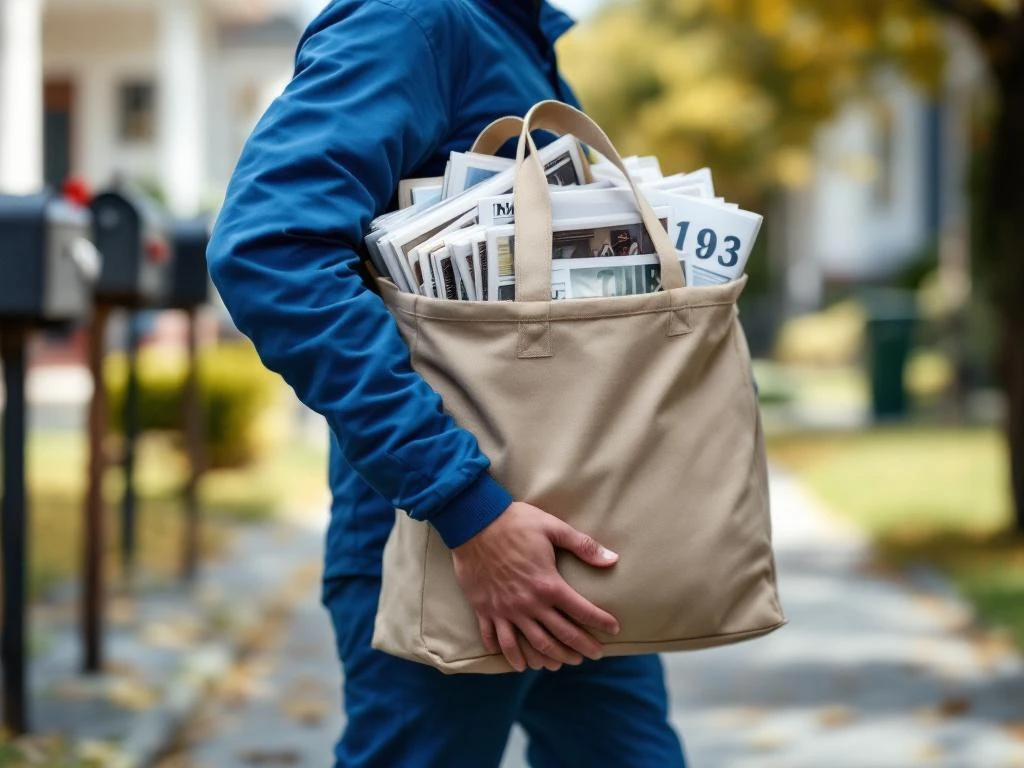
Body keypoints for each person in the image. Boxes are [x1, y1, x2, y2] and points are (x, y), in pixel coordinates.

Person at [206, 1, 687, 766]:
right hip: (449, 540)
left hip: (572, 529)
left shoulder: (517, 32)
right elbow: (270, 249)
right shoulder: (415, 18)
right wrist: (465, 508)